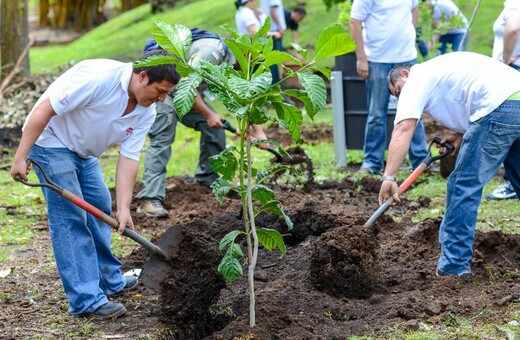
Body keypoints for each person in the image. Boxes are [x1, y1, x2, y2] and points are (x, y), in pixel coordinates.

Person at [10, 50, 180, 318]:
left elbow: (129, 156)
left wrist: (124, 208)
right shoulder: (100, 79)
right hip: (51, 142)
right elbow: (46, 108)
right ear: (142, 76)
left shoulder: (147, 110)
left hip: (84, 152)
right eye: (159, 91)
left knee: (100, 207)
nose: (161, 99)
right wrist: (21, 156)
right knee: (71, 218)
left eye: (165, 94)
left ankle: (108, 280)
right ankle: (86, 299)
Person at [379, 51, 520, 277]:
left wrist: (389, 177)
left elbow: (403, 129)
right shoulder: (440, 70)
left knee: (463, 186)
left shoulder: (416, 78)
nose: (401, 97)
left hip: (498, 106)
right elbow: (470, 96)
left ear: (404, 74)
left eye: (398, 91)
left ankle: (454, 268)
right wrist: (461, 132)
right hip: (514, 98)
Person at [136, 30, 234, 218]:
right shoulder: (212, 51)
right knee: (162, 137)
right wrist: (209, 114)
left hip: (185, 94)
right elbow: (186, 84)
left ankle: (208, 179)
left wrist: (258, 131)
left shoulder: (226, 60)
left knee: (215, 129)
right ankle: (149, 199)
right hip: (166, 89)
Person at [349, 0, 428, 175]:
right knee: (376, 114)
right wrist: (361, 58)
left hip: (407, 57)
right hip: (377, 59)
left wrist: (410, 34)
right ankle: (372, 163)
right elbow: (355, 22)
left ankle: (421, 162)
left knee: (415, 112)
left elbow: (414, 9)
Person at [486, 0, 520, 200]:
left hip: (513, 71)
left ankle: (510, 185)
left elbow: (513, 27)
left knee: (509, 130)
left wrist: (504, 61)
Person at [259, 0, 286, 84]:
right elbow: (273, 10)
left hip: (268, 30)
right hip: (274, 30)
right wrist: (280, 26)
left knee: (270, 59)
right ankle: (274, 83)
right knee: (274, 60)